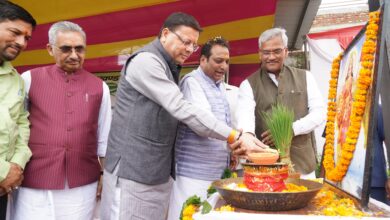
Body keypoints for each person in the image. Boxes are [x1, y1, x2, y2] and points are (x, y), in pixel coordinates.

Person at [100, 12, 268, 220]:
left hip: (156, 171)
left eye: (194, 45)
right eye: (186, 42)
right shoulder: (145, 62)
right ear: (165, 34)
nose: (190, 49)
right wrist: (235, 136)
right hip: (134, 170)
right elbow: (180, 107)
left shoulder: (169, 65)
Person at [12, 21, 112, 220]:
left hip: (82, 182)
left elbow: (104, 137)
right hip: (35, 179)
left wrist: (104, 176)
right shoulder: (29, 79)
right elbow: (14, 126)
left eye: (79, 49)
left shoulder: (100, 87)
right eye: (66, 49)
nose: (74, 55)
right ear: (50, 49)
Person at [236, 27, 326, 179]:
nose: (271, 57)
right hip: (265, 167)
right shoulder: (248, 84)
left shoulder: (305, 77)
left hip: (302, 165)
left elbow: (320, 113)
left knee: (304, 201)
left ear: (286, 52)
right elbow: (245, 119)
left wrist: (292, 129)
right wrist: (248, 135)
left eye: (277, 51)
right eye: (266, 52)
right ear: (259, 54)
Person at [167, 37, 233, 220]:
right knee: (187, 215)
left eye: (227, 62)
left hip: (215, 172)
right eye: (218, 61)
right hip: (193, 173)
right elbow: (204, 124)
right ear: (202, 60)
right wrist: (236, 138)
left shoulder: (218, 85)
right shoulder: (192, 82)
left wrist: (231, 150)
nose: (224, 66)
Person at [0, 2, 36, 219]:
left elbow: (22, 124)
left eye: (27, 38)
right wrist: (4, 172)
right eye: (15, 33)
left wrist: (16, 165)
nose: (22, 43)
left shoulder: (17, 80)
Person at [370, 103, 390, 205]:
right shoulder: (337, 108)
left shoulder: (377, 109)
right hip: (342, 184)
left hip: (375, 185)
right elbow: (328, 144)